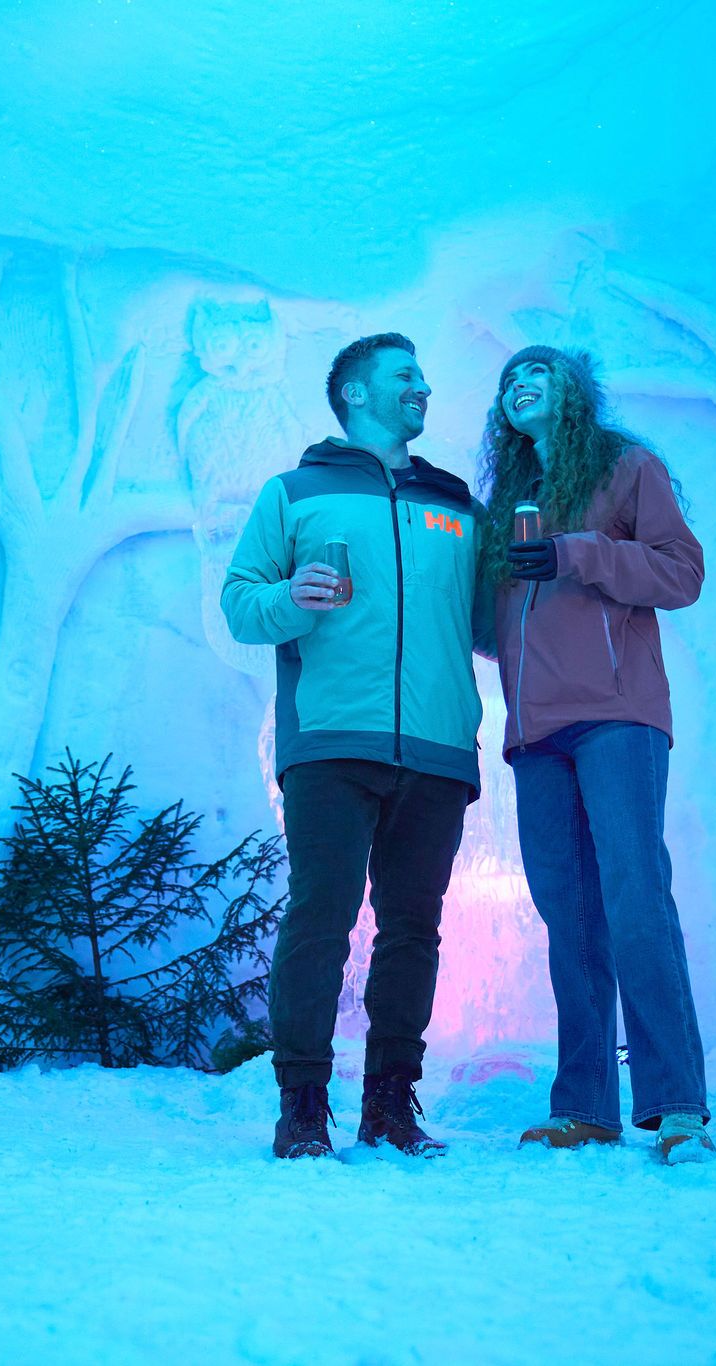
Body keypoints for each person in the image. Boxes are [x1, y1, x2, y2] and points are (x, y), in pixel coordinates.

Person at [220, 332, 491, 1160]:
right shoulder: (294, 493)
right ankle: (302, 1106)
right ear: (357, 394)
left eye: (423, 373)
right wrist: (292, 600)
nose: (423, 387)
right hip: (332, 741)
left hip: (439, 746)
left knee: (414, 930)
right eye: (406, 375)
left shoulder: (454, 502)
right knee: (320, 919)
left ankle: (390, 1106)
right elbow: (240, 603)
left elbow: (484, 626)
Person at [477, 345, 716, 1163]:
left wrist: (579, 552)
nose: (521, 386)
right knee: (569, 920)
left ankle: (678, 1104)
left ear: (574, 392)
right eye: (510, 380)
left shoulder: (625, 466)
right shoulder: (507, 499)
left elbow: (683, 573)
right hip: (534, 734)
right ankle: (585, 1105)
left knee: (636, 897)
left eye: (537, 374)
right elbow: (495, 627)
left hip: (619, 717)